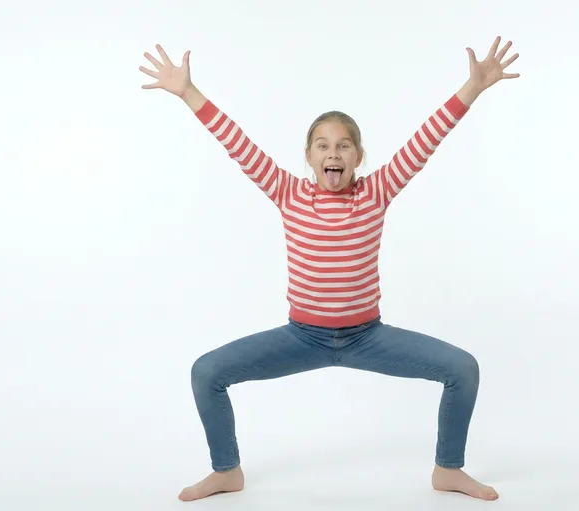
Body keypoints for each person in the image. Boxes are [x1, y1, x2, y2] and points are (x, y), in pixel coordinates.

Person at [138, 36, 520, 502]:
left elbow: (425, 141)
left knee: (462, 369)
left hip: (367, 337)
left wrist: (472, 88)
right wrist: (187, 92)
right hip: (301, 337)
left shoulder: (376, 192)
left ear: (358, 156)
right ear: (309, 157)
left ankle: (448, 469)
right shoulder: (287, 193)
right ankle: (226, 471)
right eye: (322, 146)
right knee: (206, 372)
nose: (333, 154)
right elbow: (237, 143)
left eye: (343, 146)